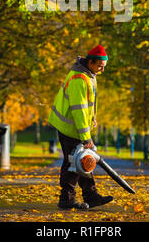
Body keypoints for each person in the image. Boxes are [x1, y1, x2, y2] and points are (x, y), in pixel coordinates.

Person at [48, 45, 113, 210]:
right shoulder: (79, 78)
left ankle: (90, 196)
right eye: (100, 66)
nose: (102, 70)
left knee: (84, 161)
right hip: (71, 128)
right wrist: (86, 136)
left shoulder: (88, 74)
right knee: (75, 163)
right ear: (90, 62)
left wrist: (92, 119)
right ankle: (67, 199)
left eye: (103, 67)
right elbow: (79, 109)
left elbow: (87, 105)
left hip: (75, 126)